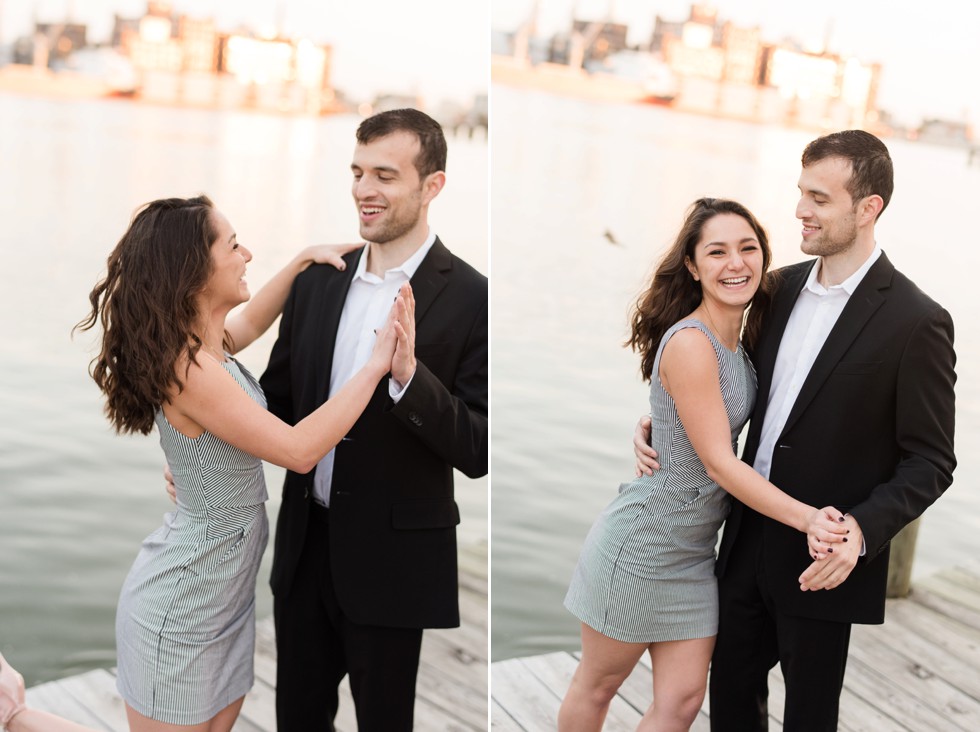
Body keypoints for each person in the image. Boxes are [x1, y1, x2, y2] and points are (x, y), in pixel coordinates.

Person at [0, 195, 408, 732]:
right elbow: (298, 450)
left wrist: (301, 262)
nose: (248, 254)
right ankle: (17, 717)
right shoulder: (188, 367)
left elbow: (250, 324)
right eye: (234, 245)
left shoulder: (204, 349)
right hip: (181, 606)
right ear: (194, 269)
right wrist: (377, 365)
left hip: (225, 599)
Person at [634, 130, 956, 731]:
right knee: (730, 701)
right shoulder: (772, 289)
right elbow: (716, 374)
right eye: (800, 193)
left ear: (868, 209)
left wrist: (859, 532)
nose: (801, 211)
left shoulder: (918, 321)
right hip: (743, 535)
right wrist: (663, 420)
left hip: (824, 556)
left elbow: (932, 461)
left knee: (810, 716)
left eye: (819, 198)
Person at [558, 198, 847, 732]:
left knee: (684, 701)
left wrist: (653, 423)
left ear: (763, 257)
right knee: (597, 687)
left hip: (694, 555)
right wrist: (807, 518)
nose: (734, 263)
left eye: (747, 249)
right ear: (693, 266)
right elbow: (717, 462)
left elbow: (695, 417)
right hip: (643, 544)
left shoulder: (742, 336)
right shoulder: (692, 342)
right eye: (716, 252)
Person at [259, 108, 488, 730]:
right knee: (296, 720)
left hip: (394, 565)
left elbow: (478, 449)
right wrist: (204, 452)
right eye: (358, 172)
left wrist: (411, 380)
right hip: (306, 550)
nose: (364, 189)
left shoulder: (473, 298)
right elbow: (272, 405)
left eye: (384, 175)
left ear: (431, 185)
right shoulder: (317, 283)